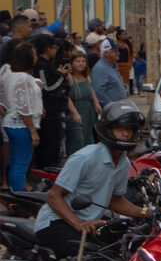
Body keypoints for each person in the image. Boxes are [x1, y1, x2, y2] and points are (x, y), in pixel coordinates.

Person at [34, 100, 152, 261]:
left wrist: (147, 212)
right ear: (108, 130)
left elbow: (114, 200)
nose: (126, 134)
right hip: (55, 223)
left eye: (130, 129)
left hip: (87, 225)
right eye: (120, 129)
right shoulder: (86, 158)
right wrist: (79, 224)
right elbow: (54, 196)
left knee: (119, 250)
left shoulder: (123, 163)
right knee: (96, 260)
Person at [1, 41, 41, 191]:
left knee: (16, 161)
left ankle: (13, 192)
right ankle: (19, 197)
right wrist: (32, 130)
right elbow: (24, 106)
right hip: (21, 125)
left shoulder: (9, 76)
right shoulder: (22, 78)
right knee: (21, 163)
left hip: (10, 121)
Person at [33, 32, 69, 169]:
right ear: (47, 48)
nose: (56, 51)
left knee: (55, 147)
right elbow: (47, 87)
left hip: (55, 113)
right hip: (47, 114)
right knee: (48, 148)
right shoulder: (41, 65)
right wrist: (60, 75)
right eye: (54, 48)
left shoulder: (50, 64)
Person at [65, 50, 101, 155]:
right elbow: (66, 97)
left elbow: (91, 90)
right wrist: (74, 113)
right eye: (77, 61)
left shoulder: (86, 76)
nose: (81, 64)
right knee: (77, 141)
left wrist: (96, 102)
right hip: (75, 110)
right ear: (71, 63)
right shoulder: (69, 78)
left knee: (87, 139)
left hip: (88, 110)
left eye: (83, 61)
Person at [91, 39, 129, 108]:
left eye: (118, 51)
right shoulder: (100, 68)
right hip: (113, 111)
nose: (118, 53)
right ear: (106, 53)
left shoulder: (113, 66)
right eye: (115, 51)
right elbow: (99, 92)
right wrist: (111, 106)